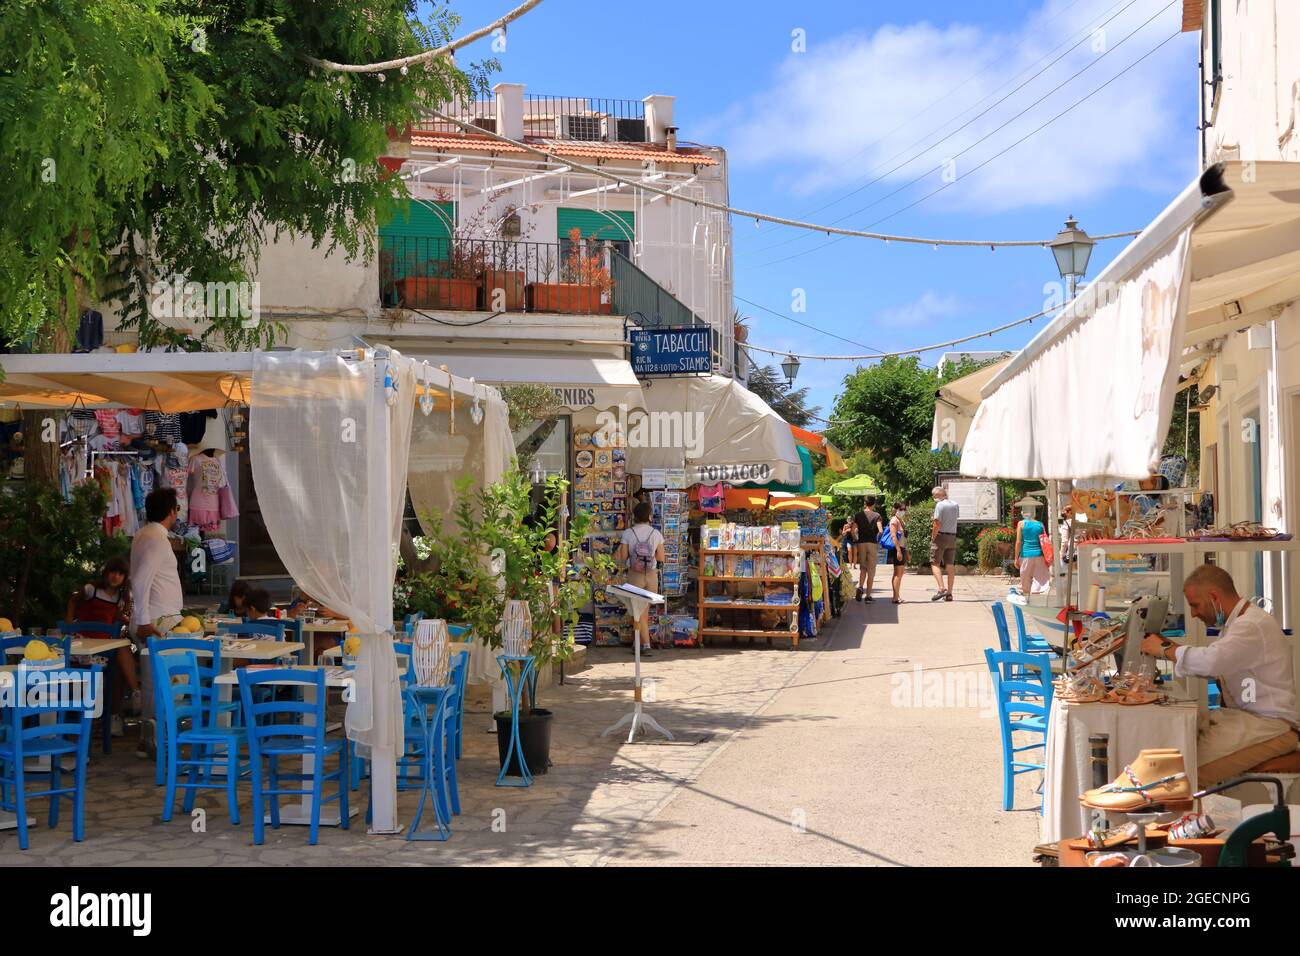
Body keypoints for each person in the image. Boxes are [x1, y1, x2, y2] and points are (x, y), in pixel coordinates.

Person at [1141, 564, 1298, 786]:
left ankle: (1192, 819)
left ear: (1214, 597)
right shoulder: (1238, 623)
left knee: (1184, 773)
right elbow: (1218, 662)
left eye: (1195, 605)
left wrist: (1167, 650)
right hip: (1250, 720)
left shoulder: (1251, 625)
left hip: (1273, 726)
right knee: (1177, 744)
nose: (1193, 613)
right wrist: (1171, 650)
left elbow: (1212, 662)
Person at [66, 556, 138, 736]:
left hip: (105, 646)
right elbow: (73, 601)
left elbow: (116, 621)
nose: (116, 576)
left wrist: (126, 620)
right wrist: (68, 626)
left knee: (121, 662)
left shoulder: (122, 598)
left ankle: (117, 714)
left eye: (121, 574)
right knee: (119, 662)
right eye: (113, 572)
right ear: (106, 573)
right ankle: (135, 695)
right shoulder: (91, 590)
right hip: (84, 645)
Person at [131, 488, 184, 640]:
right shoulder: (157, 539)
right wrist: (144, 621)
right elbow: (140, 581)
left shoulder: (142, 534)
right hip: (158, 619)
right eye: (177, 508)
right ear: (171, 511)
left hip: (155, 616)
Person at [615, 501, 665, 656]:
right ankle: (639, 643)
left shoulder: (628, 533)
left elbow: (623, 557)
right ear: (649, 516)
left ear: (635, 516)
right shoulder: (656, 534)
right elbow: (661, 557)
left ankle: (645, 644)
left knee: (637, 611)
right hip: (651, 575)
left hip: (634, 574)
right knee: (643, 610)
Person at [929, 486, 959, 601]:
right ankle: (950, 593)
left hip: (941, 536)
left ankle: (941, 589)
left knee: (934, 563)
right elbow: (954, 519)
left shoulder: (939, 505)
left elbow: (937, 523)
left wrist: (933, 537)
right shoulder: (955, 504)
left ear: (940, 495)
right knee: (950, 565)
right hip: (952, 537)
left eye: (934, 495)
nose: (934, 498)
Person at [1014, 504, 1051, 596]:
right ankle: (1035, 596)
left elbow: (1018, 542)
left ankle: (1027, 597)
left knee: (1025, 578)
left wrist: (1016, 558)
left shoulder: (1021, 524)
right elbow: (1045, 540)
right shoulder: (1040, 524)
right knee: (1039, 578)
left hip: (1026, 554)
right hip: (1039, 554)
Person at [853, 496, 882, 602]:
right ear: (873, 504)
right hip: (872, 543)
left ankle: (860, 587)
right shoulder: (877, 515)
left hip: (861, 543)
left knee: (863, 568)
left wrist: (856, 539)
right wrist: (877, 540)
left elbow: (853, 529)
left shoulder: (858, 515)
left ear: (865, 503)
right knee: (871, 570)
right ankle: (868, 596)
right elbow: (881, 530)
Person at [885, 501, 909, 604]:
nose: (903, 511)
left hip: (902, 548)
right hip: (897, 549)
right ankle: (895, 597)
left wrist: (906, 551)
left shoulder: (901, 520)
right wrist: (899, 551)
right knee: (898, 573)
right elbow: (893, 536)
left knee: (899, 573)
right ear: (895, 509)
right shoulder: (894, 520)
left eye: (904, 509)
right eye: (901, 509)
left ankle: (896, 596)